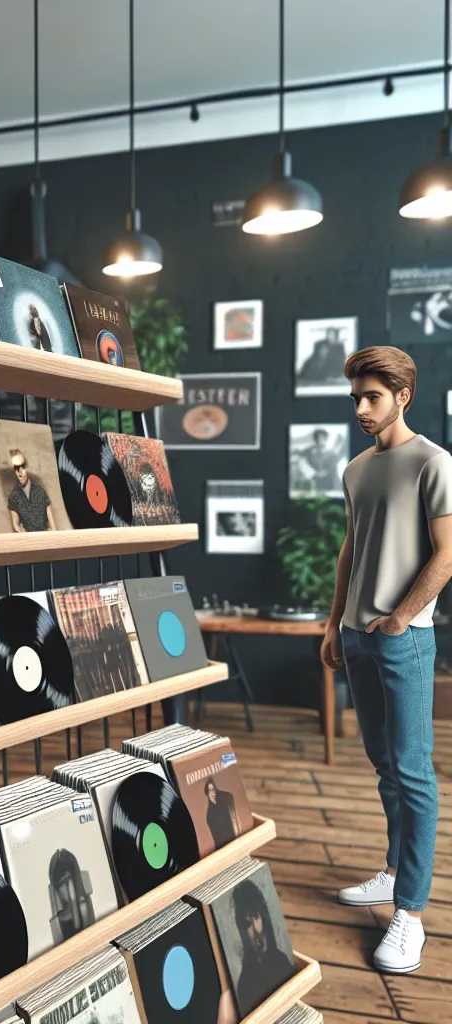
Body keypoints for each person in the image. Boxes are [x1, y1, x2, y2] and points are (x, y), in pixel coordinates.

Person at [321, 346, 452, 974]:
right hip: (355, 635)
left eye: (372, 397)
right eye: (356, 398)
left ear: (403, 395)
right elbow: (350, 550)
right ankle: (396, 869)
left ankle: (411, 913)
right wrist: (333, 623)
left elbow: (448, 554)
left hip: (404, 638)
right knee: (384, 764)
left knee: (413, 772)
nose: (361, 409)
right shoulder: (356, 469)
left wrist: (401, 617)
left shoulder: (434, 462)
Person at [232, 879, 295, 1012]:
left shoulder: (281, 960)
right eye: (247, 924)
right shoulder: (245, 980)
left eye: (255, 916)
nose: (254, 928)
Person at [7, 448, 56, 532]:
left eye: (22, 467)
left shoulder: (40, 491)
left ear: (26, 468)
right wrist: (23, 533)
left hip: (45, 536)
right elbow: (16, 525)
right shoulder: (13, 497)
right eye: (16, 468)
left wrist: (53, 535)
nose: (20, 473)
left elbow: (52, 523)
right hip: (29, 538)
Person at [294, 427, 343, 495]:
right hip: (313, 483)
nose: (323, 440)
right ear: (315, 439)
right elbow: (302, 462)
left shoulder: (330, 454)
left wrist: (325, 472)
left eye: (324, 438)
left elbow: (333, 468)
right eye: (320, 438)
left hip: (328, 485)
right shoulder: (308, 452)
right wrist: (314, 474)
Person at [205, 775, 238, 849]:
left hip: (235, 842)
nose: (213, 792)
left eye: (214, 789)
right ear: (207, 793)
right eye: (210, 790)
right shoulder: (209, 814)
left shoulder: (223, 805)